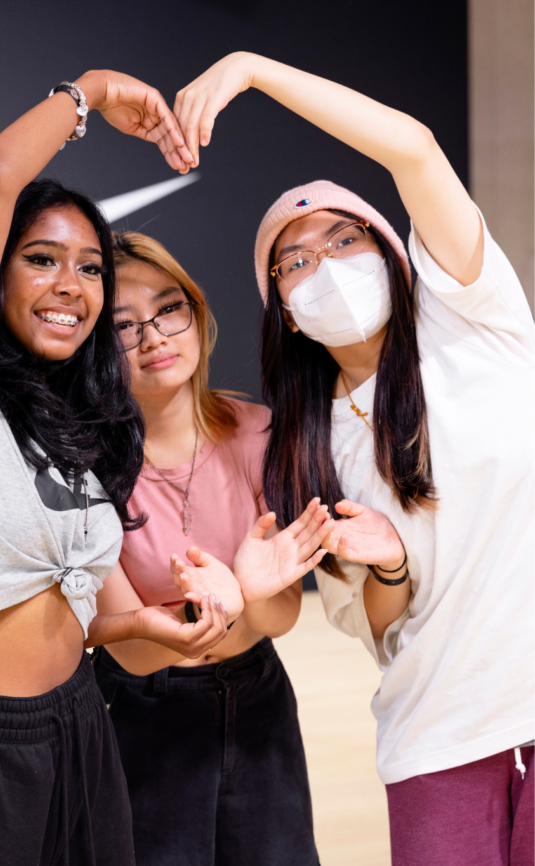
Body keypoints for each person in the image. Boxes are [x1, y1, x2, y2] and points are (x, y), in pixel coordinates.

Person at [175, 52, 534, 865]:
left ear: (390, 253)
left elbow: (412, 146)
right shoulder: (307, 447)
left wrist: (250, 70)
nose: (326, 267)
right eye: (296, 260)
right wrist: (392, 565)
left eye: (344, 239)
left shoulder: (472, 318)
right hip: (438, 736)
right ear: (286, 314)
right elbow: (377, 627)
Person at [0, 65, 235, 865]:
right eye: (42, 258)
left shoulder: (73, 419)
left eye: (89, 268)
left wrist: (131, 626)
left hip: (79, 726)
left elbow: (45, 610)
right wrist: (93, 92)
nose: (69, 286)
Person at [91, 230, 335, 865]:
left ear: (196, 312)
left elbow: (279, 617)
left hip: (259, 703)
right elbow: (139, 653)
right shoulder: (85, 471)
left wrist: (249, 594)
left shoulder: (259, 432)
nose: (154, 337)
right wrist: (233, 605)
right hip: (143, 717)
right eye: (122, 327)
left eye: (169, 308)